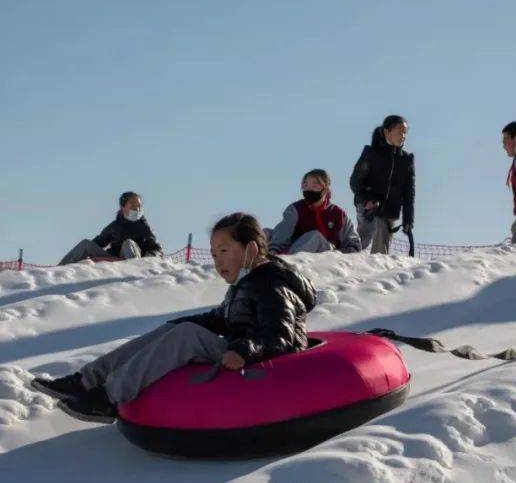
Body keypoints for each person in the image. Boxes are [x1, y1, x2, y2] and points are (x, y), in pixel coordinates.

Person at [35, 212, 317, 422]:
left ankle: (108, 397)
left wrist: (244, 349)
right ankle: (85, 380)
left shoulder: (270, 283)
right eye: (214, 253)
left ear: (252, 250)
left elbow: (280, 337)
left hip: (264, 360)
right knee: (174, 329)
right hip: (239, 345)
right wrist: (179, 323)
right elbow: (224, 318)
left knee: (186, 336)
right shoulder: (245, 283)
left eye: (224, 251)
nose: (217, 262)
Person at [349, 115, 415, 254]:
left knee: (381, 250)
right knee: (364, 239)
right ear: (386, 132)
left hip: (390, 210)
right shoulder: (371, 153)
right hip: (368, 206)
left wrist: (408, 219)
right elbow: (355, 182)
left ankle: (375, 274)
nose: (403, 136)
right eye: (399, 131)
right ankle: (345, 259)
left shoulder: (406, 160)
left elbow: (409, 192)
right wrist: (367, 200)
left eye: (405, 132)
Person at [268, 169, 360, 254]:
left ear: (325, 190)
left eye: (314, 186)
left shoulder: (338, 214)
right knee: (265, 233)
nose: (309, 190)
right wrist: (273, 249)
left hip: (326, 255)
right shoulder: (296, 209)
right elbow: (282, 233)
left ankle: (286, 262)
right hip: (295, 248)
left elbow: (353, 243)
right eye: (305, 185)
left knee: (315, 237)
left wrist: (341, 253)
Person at [58, 191, 163, 265]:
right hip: (114, 260)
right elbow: (98, 242)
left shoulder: (143, 226)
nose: (138, 209)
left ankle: (132, 271)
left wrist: (148, 258)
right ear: (123, 208)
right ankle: (59, 269)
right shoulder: (115, 226)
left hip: (135, 262)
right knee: (86, 244)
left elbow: (157, 249)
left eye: (139, 206)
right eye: (133, 206)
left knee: (128, 243)